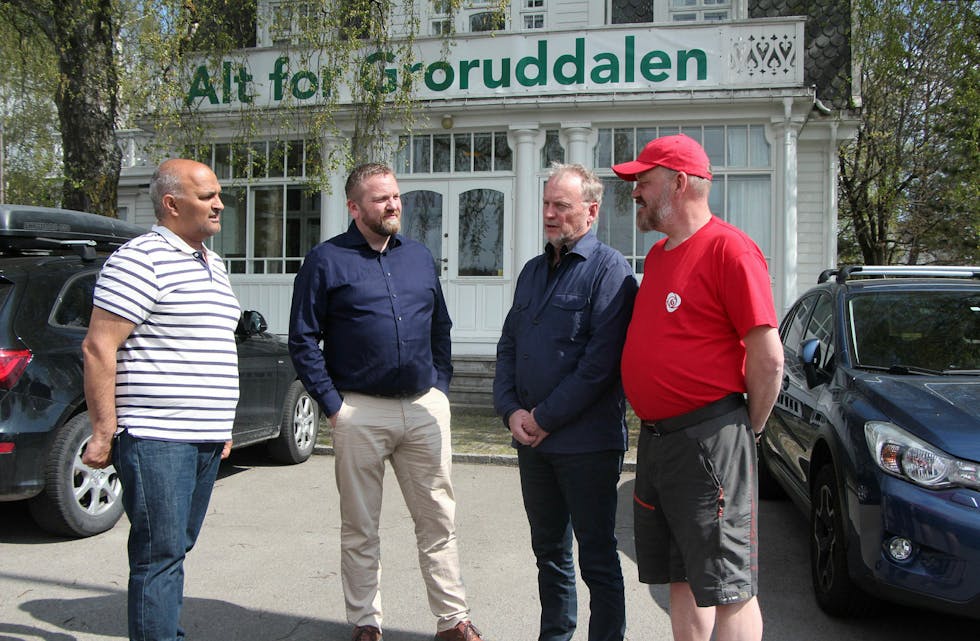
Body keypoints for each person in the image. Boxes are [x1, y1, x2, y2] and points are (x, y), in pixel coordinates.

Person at [288, 163, 484, 641]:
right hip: (359, 410)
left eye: (396, 197)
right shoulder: (325, 260)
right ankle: (366, 623)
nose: (393, 205)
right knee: (360, 528)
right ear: (355, 208)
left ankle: (452, 620)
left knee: (438, 520)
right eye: (381, 199)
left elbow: (441, 326)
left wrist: (440, 386)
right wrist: (334, 406)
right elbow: (302, 339)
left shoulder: (419, 257)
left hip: (423, 408)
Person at [611, 134, 784, 641]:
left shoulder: (730, 249)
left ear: (680, 182)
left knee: (729, 588)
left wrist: (741, 428)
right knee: (680, 576)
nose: (636, 191)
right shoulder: (662, 256)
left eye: (644, 180)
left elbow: (768, 358)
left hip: (710, 438)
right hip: (661, 441)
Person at [82, 159, 240, 641]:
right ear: (171, 204)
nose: (219, 204)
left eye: (218, 194)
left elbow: (209, 346)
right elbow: (98, 346)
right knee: (159, 554)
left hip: (204, 437)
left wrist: (222, 426)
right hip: (157, 436)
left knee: (175, 547)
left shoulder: (214, 263)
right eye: (206, 196)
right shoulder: (139, 259)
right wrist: (104, 430)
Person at [494, 163, 637, 641]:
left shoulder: (610, 271)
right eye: (546, 204)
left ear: (591, 212)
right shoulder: (533, 272)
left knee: (597, 556)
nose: (550, 214)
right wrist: (510, 410)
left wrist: (544, 418)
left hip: (587, 445)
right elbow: (509, 346)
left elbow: (600, 365)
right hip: (533, 444)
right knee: (549, 555)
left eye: (562, 205)